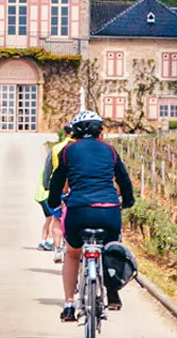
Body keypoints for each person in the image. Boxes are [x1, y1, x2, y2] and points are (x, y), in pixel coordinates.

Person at [47, 110, 135, 322]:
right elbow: (123, 179)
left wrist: (53, 203)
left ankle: (69, 305)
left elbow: (57, 180)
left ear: (75, 131)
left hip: (79, 211)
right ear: (99, 131)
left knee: (72, 254)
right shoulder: (110, 151)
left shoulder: (68, 151)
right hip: (109, 210)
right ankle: (112, 293)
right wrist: (128, 201)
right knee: (111, 249)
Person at [34, 124, 72, 262]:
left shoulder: (56, 148)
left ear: (65, 134)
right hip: (79, 187)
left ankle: (57, 249)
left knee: (57, 218)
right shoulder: (84, 147)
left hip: (59, 187)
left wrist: (47, 185)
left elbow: (48, 169)